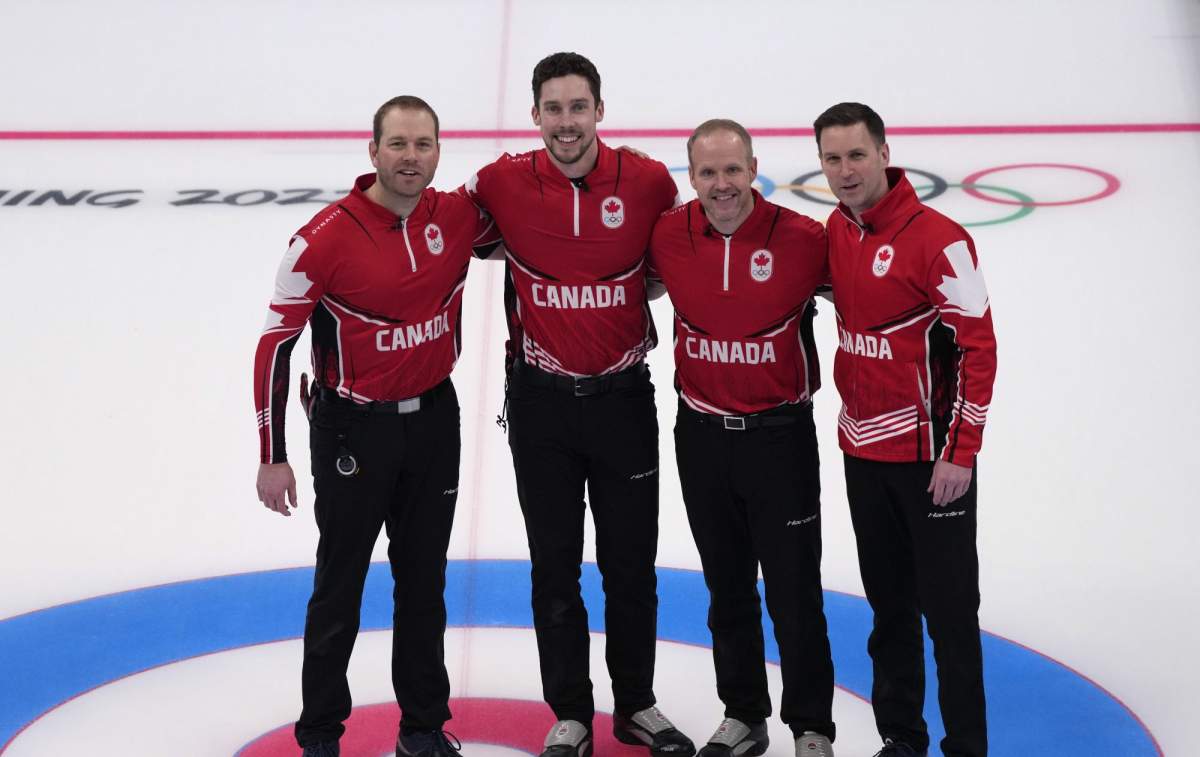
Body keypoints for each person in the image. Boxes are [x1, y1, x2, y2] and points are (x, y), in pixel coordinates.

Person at [461, 52, 695, 757]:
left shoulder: (651, 181)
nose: (567, 123)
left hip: (624, 399)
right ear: (535, 115)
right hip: (541, 405)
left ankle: (637, 706)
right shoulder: (500, 182)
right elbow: (443, 232)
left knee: (631, 562)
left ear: (600, 109)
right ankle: (569, 710)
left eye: (578, 107)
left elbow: (676, 260)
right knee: (553, 561)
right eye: (553, 109)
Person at [253, 95, 498, 757]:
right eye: (398, 144)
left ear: (438, 152)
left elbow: (530, 236)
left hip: (434, 423)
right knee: (340, 584)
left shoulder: (457, 217)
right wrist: (272, 453)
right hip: (351, 434)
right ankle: (321, 735)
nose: (410, 158)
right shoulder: (323, 238)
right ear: (373, 152)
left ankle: (422, 728)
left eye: (423, 145)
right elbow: (275, 345)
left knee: (424, 582)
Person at [646, 119, 836, 757]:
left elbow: (869, 301)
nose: (721, 185)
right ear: (690, 175)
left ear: (754, 167)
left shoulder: (806, 239)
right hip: (700, 435)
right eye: (707, 172)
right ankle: (743, 714)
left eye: (733, 170)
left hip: (779, 438)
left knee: (793, 590)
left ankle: (811, 727)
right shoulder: (668, 233)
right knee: (726, 585)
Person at [814, 102, 997, 757]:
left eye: (856, 155)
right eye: (831, 158)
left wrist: (961, 453)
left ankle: (967, 745)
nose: (844, 170)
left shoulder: (939, 239)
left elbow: (981, 349)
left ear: (885, 153)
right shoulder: (833, 232)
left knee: (949, 615)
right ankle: (902, 737)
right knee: (889, 609)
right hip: (861, 452)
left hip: (931, 461)